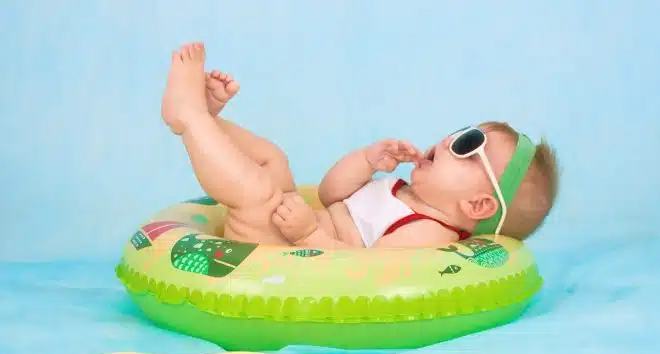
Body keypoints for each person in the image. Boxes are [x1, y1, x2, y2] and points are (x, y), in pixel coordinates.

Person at [161, 42, 559, 249]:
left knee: (258, 193)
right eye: (461, 131)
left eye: (467, 146)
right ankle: (210, 118)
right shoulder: (401, 192)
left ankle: (190, 118)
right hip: (298, 224)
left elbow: (360, 269)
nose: (449, 140)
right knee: (274, 159)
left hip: (283, 247)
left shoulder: (426, 234)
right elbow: (331, 193)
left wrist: (305, 236)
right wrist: (368, 161)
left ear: (478, 205)